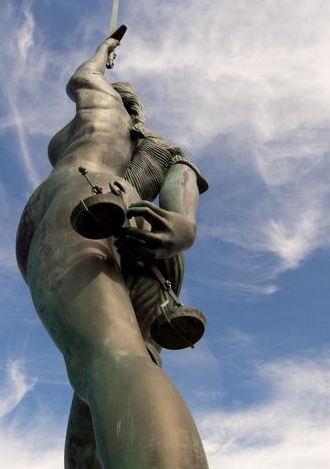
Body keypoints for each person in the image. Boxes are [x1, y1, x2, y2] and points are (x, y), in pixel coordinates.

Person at [15, 34, 208, 468]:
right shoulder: (154, 150)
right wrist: (183, 224)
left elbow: (82, 76)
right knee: (105, 378)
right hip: (140, 245)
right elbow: (182, 178)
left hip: (89, 202)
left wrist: (104, 52)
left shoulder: (103, 111)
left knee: (109, 360)